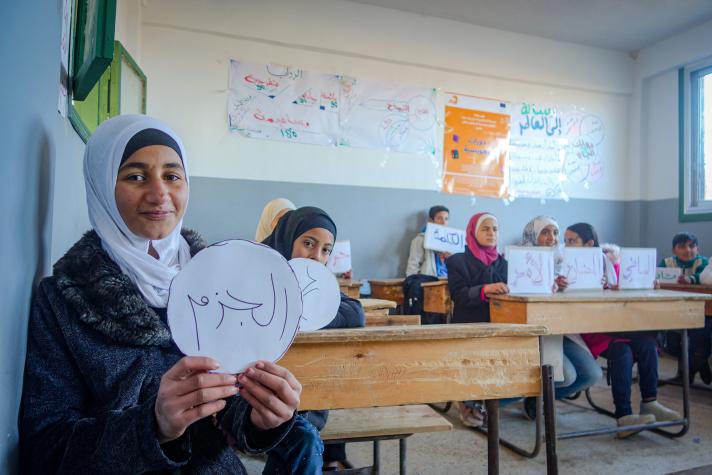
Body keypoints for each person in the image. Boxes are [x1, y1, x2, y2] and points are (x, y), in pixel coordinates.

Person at [20, 115, 322, 474]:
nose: (159, 193)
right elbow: (47, 448)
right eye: (135, 176)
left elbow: (229, 407)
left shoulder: (216, 280)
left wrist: (261, 417)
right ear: (102, 186)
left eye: (172, 176)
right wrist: (152, 427)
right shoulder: (63, 300)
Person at [262, 206, 365, 470]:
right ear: (288, 239)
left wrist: (306, 314)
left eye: (325, 250)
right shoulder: (259, 270)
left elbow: (355, 313)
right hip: (258, 395)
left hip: (307, 395)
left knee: (306, 433)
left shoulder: (318, 282)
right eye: (308, 243)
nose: (316, 256)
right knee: (302, 439)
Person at [566, 222, 682, 437]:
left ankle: (650, 401)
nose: (567, 245)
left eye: (572, 240)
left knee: (647, 343)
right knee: (626, 348)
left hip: (617, 326)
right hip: (592, 328)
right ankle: (624, 415)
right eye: (566, 241)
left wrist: (648, 285)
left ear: (589, 243)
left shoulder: (611, 263)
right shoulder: (564, 264)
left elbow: (628, 286)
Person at [519, 216, 602, 420]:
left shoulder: (566, 259)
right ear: (533, 235)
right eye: (545, 232)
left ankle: (539, 399)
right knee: (566, 376)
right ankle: (526, 397)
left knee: (592, 375)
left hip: (565, 329)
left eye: (555, 233)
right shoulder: (519, 258)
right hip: (539, 330)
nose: (552, 238)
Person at [446, 212, 507, 427]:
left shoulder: (504, 263)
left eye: (495, 229)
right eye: (485, 228)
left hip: (500, 324)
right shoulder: (457, 261)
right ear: (473, 232)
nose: (491, 233)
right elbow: (459, 295)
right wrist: (484, 289)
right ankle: (468, 399)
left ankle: (489, 401)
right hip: (470, 323)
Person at [658, 232, 711, 384]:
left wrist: (691, 280)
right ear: (674, 250)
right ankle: (699, 365)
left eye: (692, 246)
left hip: (701, 312)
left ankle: (689, 372)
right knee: (672, 345)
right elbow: (658, 277)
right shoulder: (666, 263)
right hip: (674, 310)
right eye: (682, 247)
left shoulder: (704, 263)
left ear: (697, 248)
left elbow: (703, 276)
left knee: (698, 341)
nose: (688, 250)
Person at [405, 205, 451, 277]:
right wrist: (413, 283)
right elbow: (413, 266)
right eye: (439, 218)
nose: (443, 222)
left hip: (448, 282)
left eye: (446, 219)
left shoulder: (451, 241)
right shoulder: (420, 240)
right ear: (431, 220)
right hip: (429, 283)